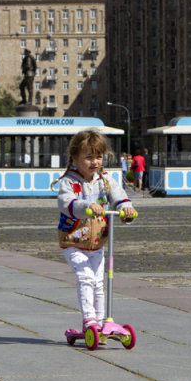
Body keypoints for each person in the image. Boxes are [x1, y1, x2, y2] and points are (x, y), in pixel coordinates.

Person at [55, 130, 136, 334]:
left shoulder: (105, 180)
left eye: (98, 157)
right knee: (86, 277)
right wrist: (86, 206)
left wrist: (126, 209)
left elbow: (118, 195)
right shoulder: (69, 182)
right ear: (75, 158)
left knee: (99, 282)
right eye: (88, 157)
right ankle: (89, 320)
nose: (94, 162)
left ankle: (101, 321)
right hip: (74, 241)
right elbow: (67, 203)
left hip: (97, 242)